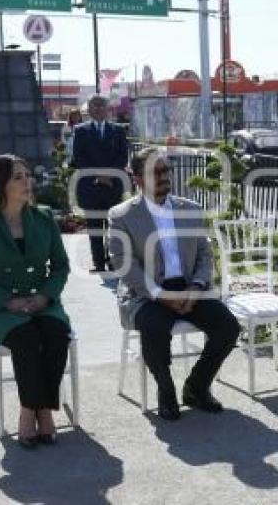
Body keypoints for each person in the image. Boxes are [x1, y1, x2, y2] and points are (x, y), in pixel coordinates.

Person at [108, 148, 241, 421]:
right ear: (137, 178)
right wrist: (159, 294)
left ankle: (197, 386)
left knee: (227, 327)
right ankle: (165, 389)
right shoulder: (122, 215)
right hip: (145, 293)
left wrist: (197, 286)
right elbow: (123, 263)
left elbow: (204, 253)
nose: (163, 176)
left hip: (190, 288)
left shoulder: (189, 209)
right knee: (154, 327)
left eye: (166, 170)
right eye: (155, 171)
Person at [0, 154, 72, 448]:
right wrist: (7, 301)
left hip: (41, 301)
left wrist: (45, 296)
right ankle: (29, 411)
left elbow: (60, 265)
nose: (27, 182)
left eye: (27, 175)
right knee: (26, 339)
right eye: (18, 177)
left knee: (57, 335)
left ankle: (44, 409)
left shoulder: (44, 217)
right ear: (0, 185)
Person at [72, 95, 129, 272]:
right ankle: (98, 263)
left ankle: (113, 261)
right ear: (88, 110)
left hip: (113, 186)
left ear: (107, 109)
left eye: (101, 106)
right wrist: (98, 175)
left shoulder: (118, 130)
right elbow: (79, 158)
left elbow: (122, 157)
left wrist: (108, 175)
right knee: (95, 227)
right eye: (93, 106)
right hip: (90, 186)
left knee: (114, 226)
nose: (97, 109)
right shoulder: (80, 131)